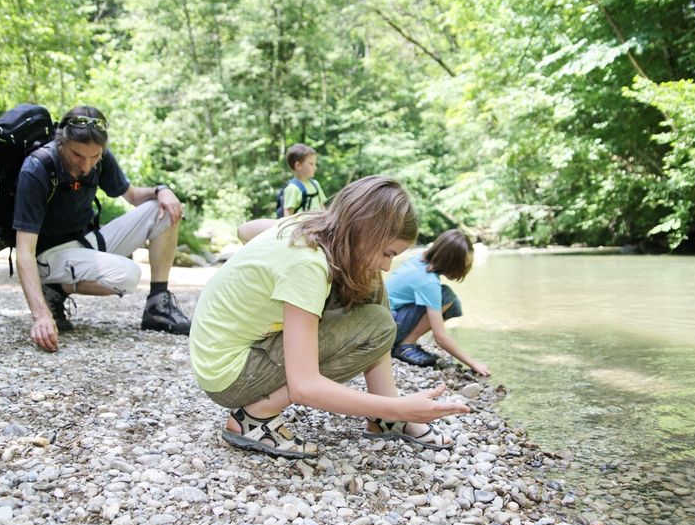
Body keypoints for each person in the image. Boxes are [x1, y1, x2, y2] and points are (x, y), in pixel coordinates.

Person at [190, 176, 470, 459]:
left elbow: (245, 229)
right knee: (379, 326)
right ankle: (254, 418)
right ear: (363, 231)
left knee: (369, 279)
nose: (387, 265)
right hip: (230, 376)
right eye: (387, 253)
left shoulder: (311, 225)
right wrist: (401, 408)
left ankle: (387, 414)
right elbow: (305, 387)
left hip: (216, 353)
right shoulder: (307, 265)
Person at [13, 106, 192, 352]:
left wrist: (162, 190)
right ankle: (53, 289)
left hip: (84, 242)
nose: (86, 166)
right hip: (47, 256)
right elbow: (24, 250)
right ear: (62, 142)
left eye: (94, 157)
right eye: (77, 155)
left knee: (163, 209)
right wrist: (41, 315)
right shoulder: (37, 168)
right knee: (128, 275)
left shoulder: (99, 158)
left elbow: (132, 195)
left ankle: (158, 306)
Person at [386, 229, 491, 376]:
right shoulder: (428, 282)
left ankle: (406, 343)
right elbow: (440, 336)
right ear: (452, 262)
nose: (466, 269)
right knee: (447, 296)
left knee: (451, 303)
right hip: (388, 328)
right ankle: (405, 346)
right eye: (465, 264)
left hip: (386, 323)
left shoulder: (419, 260)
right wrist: (473, 363)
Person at [279, 143, 326, 216]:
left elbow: (322, 206)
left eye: (315, 164)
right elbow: (288, 213)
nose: (315, 167)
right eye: (311, 164)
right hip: (301, 226)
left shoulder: (315, 184)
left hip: (317, 224)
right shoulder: (292, 188)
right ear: (298, 165)